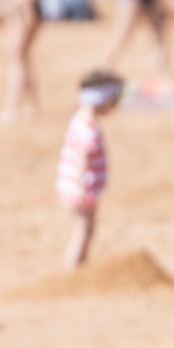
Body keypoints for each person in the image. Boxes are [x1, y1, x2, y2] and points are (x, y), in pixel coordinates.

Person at [55, 70, 124, 270]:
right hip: (81, 190)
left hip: (74, 186)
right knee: (83, 232)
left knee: (84, 230)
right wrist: (83, 189)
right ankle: (75, 271)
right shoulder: (89, 129)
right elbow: (83, 160)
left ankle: (78, 268)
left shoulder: (80, 119)